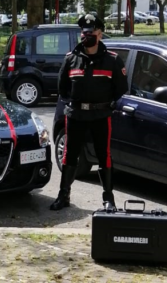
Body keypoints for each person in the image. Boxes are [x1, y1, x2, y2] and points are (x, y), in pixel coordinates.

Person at [50, 14, 128, 211]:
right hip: (76, 115)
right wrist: (72, 104)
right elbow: (62, 88)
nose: (87, 36)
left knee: (104, 156)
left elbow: (121, 88)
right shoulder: (71, 59)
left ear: (100, 34)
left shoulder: (112, 60)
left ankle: (108, 199)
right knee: (70, 154)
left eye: (91, 33)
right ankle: (63, 195)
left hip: (100, 116)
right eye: (84, 33)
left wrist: (108, 105)